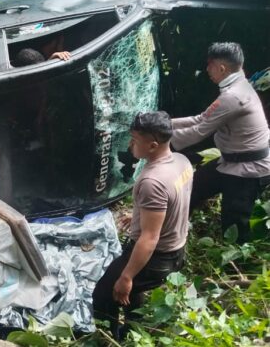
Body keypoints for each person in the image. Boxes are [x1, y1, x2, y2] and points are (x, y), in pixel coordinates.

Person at [93, 111, 192, 340]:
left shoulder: (152, 182)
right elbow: (176, 202)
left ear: (152, 145)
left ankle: (110, 339)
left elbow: (149, 239)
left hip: (156, 257)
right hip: (177, 250)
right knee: (132, 291)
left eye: (135, 140)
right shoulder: (181, 161)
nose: (130, 145)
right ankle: (132, 330)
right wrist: (139, 215)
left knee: (105, 293)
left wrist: (126, 277)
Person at [170, 42, 270, 244]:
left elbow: (200, 130)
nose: (207, 70)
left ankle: (235, 266)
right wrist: (165, 123)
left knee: (234, 225)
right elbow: (202, 118)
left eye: (210, 65)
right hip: (230, 160)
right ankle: (175, 234)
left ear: (221, 68)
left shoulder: (234, 96)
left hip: (248, 169)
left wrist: (163, 142)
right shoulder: (237, 87)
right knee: (192, 189)